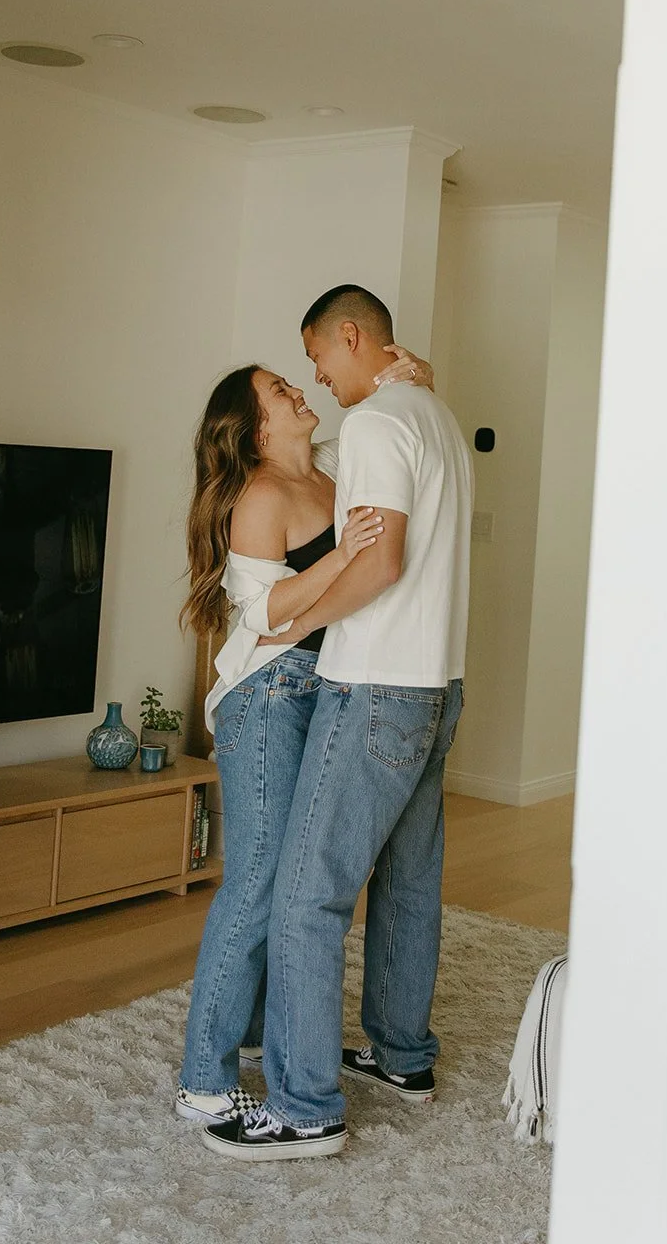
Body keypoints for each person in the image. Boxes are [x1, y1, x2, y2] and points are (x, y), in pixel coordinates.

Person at [203, 285, 472, 1161]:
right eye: (289, 384)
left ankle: (304, 1105)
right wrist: (279, 623)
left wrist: (293, 625)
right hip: (436, 684)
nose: (312, 379)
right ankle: (400, 1056)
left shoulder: (372, 427)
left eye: (311, 360)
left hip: (372, 686)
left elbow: (379, 561)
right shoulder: (435, 413)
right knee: (405, 880)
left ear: (349, 337)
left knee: (306, 894)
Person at [175, 345, 432, 1128]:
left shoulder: (323, 466)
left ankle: (255, 1034)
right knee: (255, 881)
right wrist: (344, 558)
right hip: (267, 696)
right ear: (254, 432)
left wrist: (415, 384)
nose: (296, 390)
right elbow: (263, 614)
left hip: (318, 687)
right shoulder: (261, 493)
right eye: (278, 392)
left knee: (292, 880)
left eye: (290, 382)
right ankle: (201, 1080)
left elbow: (378, 425)